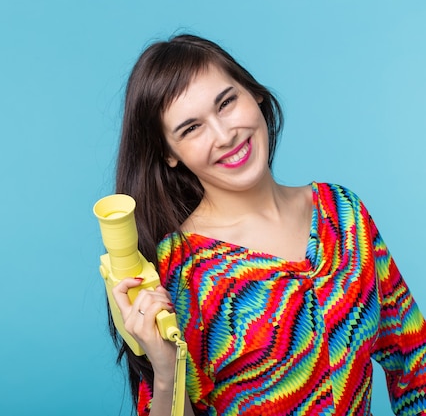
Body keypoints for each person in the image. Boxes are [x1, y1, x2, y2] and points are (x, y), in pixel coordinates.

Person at [107, 34, 426, 415]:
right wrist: (165, 371)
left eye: (226, 102)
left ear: (253, 93)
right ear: (169, 154)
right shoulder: (181, 270)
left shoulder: (342, 214)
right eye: (191, 128)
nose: (225, 136)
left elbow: (414, 360)